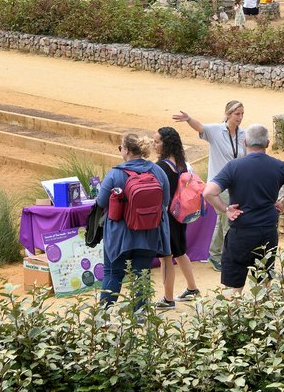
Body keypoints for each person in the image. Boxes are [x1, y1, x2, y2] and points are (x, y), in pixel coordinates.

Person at [203, 124, 284, 295]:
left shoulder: (234, 166)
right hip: (267, 231)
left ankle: (232, 319)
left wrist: (226, 209)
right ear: (267, 143)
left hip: (241, 231)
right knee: (263, 285)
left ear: (245, 142)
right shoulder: (278, 166)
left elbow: (209, 192)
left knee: (233, 288)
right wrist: (283, 204)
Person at [94, 132, 171, 315]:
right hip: (148, 232)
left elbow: (101, 202)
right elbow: (165, 201)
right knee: (141, 273)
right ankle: (140, 315)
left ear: (126, 150)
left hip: (119, 235)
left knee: (113, 273)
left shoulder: (115, 173)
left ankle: (103, 318)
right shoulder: (157, 171)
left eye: (121, 147)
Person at [172, 101, 247, 272]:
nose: (240, 118)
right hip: (219, 186)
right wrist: (188, 118)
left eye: (242, 114)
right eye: (237, 114)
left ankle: (215, 254)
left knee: (223, 220)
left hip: (236, 184)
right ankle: (227, 257)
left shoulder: (243, 134)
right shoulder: (216, 130)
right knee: (229, 220)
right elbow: (200, 127)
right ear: (228, 114)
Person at [153, 126, 201, 309]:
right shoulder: (183, 165)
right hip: (180, 216)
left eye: (157, 141)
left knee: (166, 258)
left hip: (166, 219)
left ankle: (168, 299)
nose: (154, 144)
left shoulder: (160, 167)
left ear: (167, 144)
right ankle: (192, 288)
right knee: (180, 253)